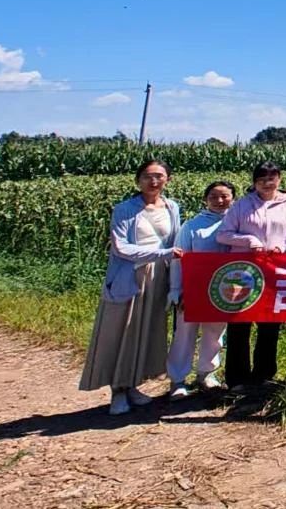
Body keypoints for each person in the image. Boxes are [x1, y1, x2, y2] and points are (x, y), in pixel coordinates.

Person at [80, 159, 182, 415]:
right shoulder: (125, 209)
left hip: (158, 278)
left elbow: (175, 239)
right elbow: (121, 248)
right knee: (121, 333)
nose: (153, 181)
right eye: (148, 176)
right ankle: (118, 390)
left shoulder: (172, 207)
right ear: (138, 180)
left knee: (146, 332)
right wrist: (164, 254)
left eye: (159, 176)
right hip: (131, 277)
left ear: (168, 179)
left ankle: (133, 384)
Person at [216, 161, 286, 389]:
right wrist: (249, 241)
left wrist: (283, 246)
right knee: (239, 323)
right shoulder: (242, 205)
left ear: (279, 180)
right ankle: (237, 378)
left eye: (271, 179)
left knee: (269, 323)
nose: (267, 184)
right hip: (243, 270)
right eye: (261, 180)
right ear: (254, 183)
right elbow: (223, 234)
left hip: (275, 270)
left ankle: (264, 375)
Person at [166, 179, 236, 400]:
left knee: (215, 334)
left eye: (224, 196)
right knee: (184, 334)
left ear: (233, 198)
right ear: (205, 199)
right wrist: (177, 289)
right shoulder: (192, 226)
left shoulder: (236, 224)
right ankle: (178, 379)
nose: (219, 200)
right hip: (193, 289)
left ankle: (206, 374)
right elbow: (179, 259)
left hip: (222, 291)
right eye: (213, 196)